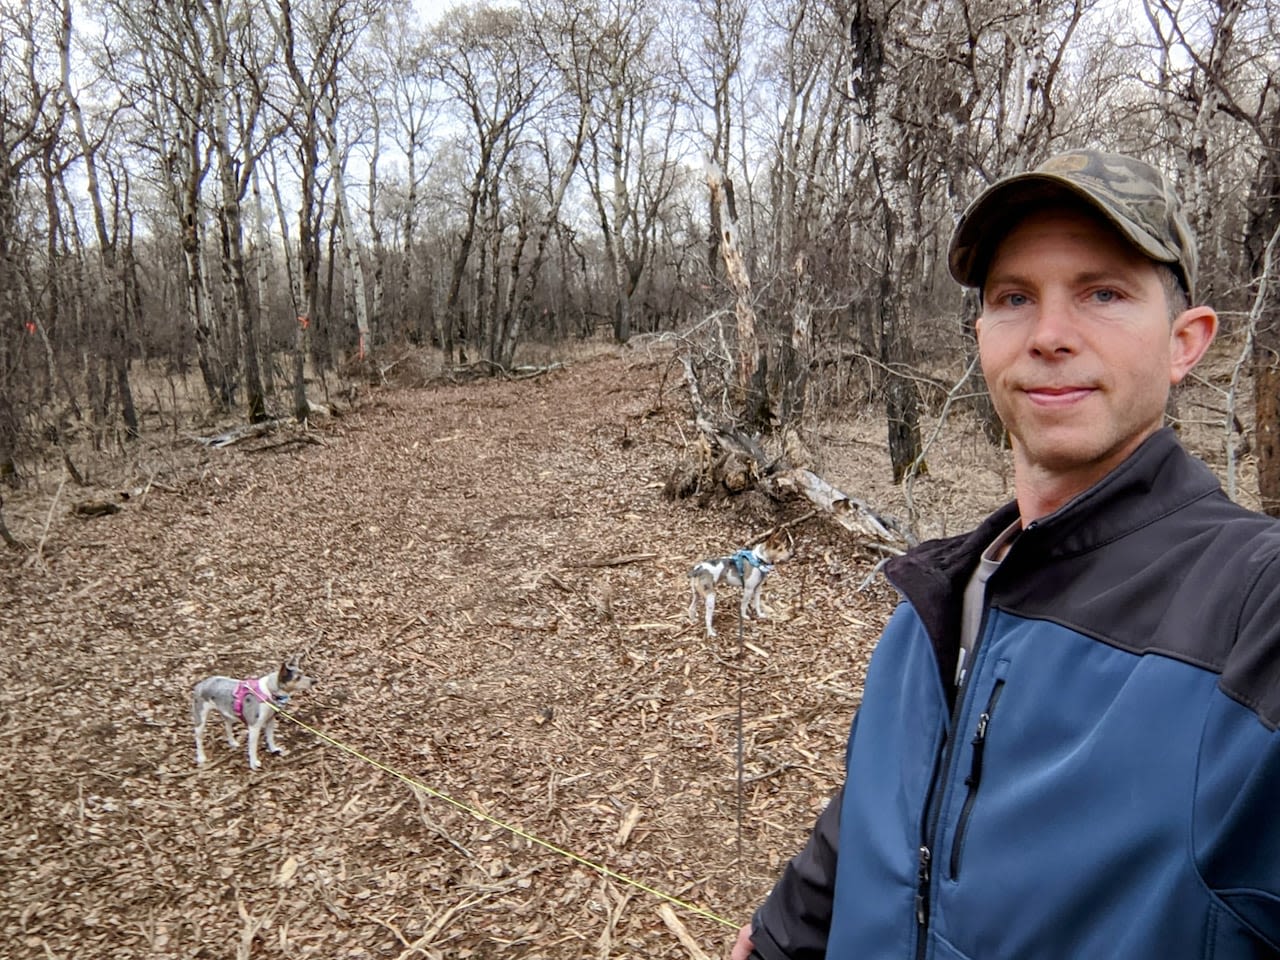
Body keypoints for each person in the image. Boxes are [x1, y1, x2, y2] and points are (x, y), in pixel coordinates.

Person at [730, 148, 1280, 959]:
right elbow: (881, 814)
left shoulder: (1248, 609)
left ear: (1185, 342)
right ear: (982, 335)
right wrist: (782, 937)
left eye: (1103, 293)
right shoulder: (936, 596)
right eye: (1015, 298)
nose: (1051, 336)